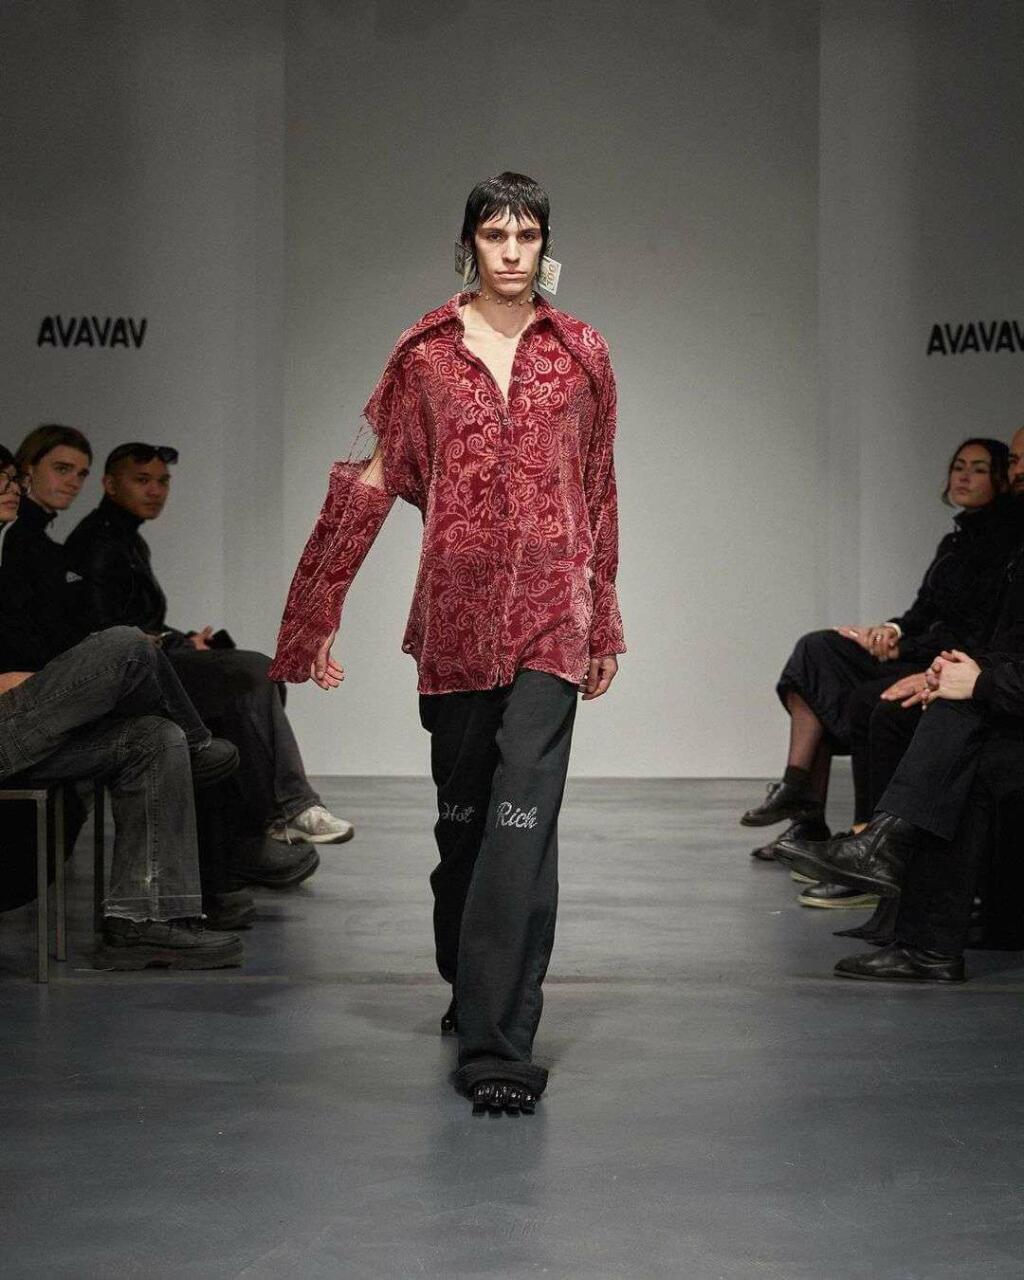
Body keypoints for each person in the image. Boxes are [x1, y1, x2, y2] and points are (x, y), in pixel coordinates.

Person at [269, 172, 625, 1115]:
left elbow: (599, 488)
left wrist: (605, 618)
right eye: (495, 235)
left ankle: (498, 1048)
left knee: (522, 828)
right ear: (468, 244)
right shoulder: (423, 354)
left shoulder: (582, 352)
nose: (511, 252)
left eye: (527, 235)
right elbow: (372, 479)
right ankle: (469, 980)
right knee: (464, 826)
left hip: (553, 618)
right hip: (457, 627)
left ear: (544, 244)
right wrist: (314, 614)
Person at [0, 444, 243, 969]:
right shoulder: (44, 550)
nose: (11, 488)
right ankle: (199, 746)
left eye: (11, 478)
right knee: (127, 644)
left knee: (154, 738)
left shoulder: (19, 555)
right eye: (1, 480)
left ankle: (142, 922)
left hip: (21, 717)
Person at [745, 438, 1020, 868]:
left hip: (949, 659)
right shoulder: (954, 541)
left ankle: (861, 837)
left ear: (1001, 479)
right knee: (818, 649)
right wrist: (888, 632)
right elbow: (922, 611)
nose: (964, 476)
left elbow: (973, 631)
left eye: (979, 469)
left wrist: (908, 649)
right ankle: (799, 795)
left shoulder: (1004, 544)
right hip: (920, 650)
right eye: (959, 466)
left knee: (867, 700)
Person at [63, 440, 352, 851]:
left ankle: (258, 826)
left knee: (254, 677)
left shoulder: (124, 539)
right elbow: (102, 632)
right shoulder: (98, 542)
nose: (156, 490)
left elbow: (131, 618)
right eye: (142, 480)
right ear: (110, 484)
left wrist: (182, 639)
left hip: (149, 664)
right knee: (253, 671)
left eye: (163, 481)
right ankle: (288, 809)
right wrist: (170, 641)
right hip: (130, 677)